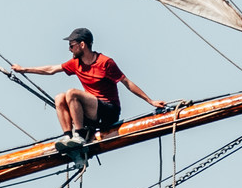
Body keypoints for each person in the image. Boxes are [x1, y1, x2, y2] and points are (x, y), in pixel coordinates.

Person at [12, 29, 168, 144]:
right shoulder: (75, 63)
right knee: (59, 97)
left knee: (71, 93)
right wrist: (24, 69)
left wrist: (151, 101)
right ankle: (68, 137)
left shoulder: (105, 62)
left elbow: (126, 82)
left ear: (82, 45)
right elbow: (51, 69)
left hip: (109, 110)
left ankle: (79, 135)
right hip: (91, 112)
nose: (69, 49)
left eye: (72, 45)